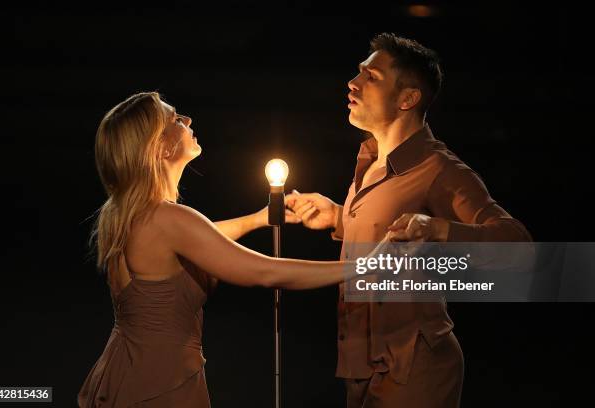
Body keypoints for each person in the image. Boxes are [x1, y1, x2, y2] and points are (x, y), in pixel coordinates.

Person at [286, 33, 532, 407]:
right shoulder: (369, 163)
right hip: (358, 368)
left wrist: (439, 229)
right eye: (358, 73)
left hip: (413, 370)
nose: (353, 83)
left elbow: (519, 247)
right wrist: (338, 216)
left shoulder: (440, 168)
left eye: (372, 77)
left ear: (408, 98)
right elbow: (389, 239)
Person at [77, 91, 365, 408]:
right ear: (160, 147)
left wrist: (258, 219)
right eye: (175, 119)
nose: (187, 121)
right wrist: (362, 267)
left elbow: (201, 241)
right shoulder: (169, 218)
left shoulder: (127, 215)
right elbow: (264, 271)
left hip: (125, 372)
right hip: (160, 385)